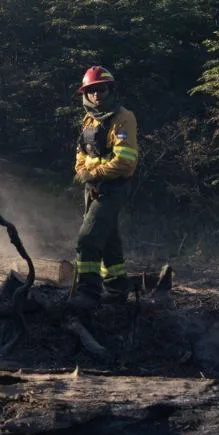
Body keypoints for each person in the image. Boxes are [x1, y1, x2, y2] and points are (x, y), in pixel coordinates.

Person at [71, 65, 139, 308]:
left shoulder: (123, 118)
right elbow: (82, 152)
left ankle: (88, 294)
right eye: (91, 90)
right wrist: (82, 172)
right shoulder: (89, 119)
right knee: (108, 239)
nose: (96, 94)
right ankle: (117, 289)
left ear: (110, 89)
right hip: (92, 187)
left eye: (101, 89)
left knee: (88, 239)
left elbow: (126, 161)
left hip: (113, 187)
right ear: (85, 94)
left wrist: (95, 174)